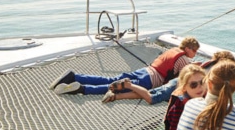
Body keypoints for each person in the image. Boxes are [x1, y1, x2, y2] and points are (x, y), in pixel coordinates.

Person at [49, 36, 200, 96]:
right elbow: (185, 77)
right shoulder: (184, 59)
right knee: (115, 87)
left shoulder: (173, 50)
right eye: (194, 50)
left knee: (112, 79)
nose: (195, 53)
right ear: (187, 48)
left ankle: (75, 76)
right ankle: (81, 88)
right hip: (149, 81)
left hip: (145, 71)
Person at [99, 50, 235, 104]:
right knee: (152, 98)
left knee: (149, 93)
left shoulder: (206, 63)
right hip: (179, 86)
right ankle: (128, 85)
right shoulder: (215, 71)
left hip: (177, 81)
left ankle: (116, 95)